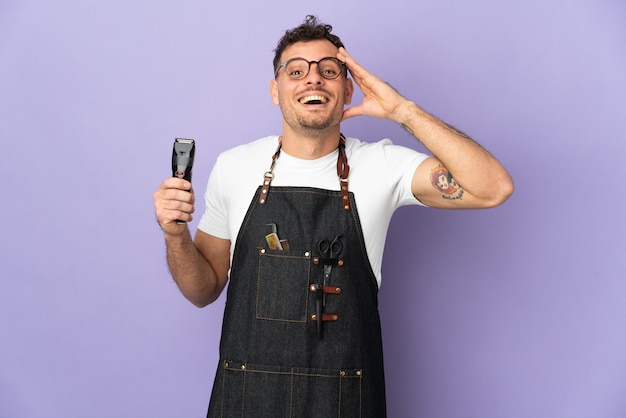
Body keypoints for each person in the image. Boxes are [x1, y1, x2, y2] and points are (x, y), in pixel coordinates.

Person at [153, 15, 513, 418]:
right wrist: (174, 235)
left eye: (328, 70)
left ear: (347, 89)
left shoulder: (383, 165)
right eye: (296, 71)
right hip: (245, 397)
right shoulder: (234, 166)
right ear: (276, 90)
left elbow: (492, 187)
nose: (313, 79)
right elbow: (202, 291)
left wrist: (402, 111)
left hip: (345, 401)